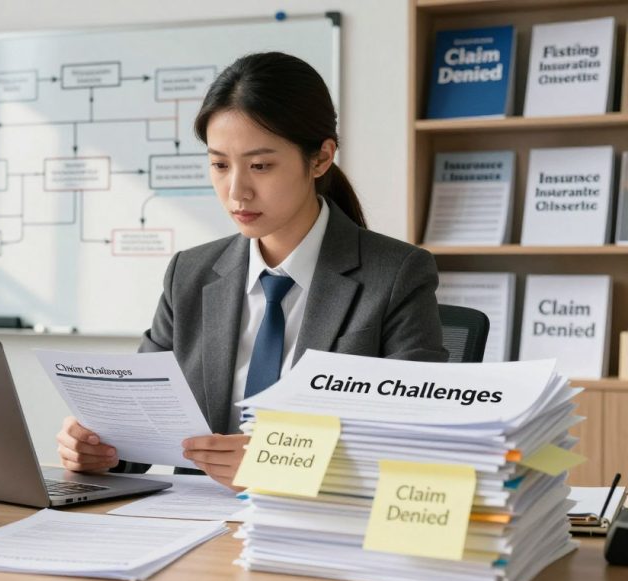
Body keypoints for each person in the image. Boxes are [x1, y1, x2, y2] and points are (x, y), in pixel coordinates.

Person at [55, 52, 448, 490]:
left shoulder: (396, 274)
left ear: (320, 159)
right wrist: (99, 449)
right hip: (192, 526)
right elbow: (141, 428)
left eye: (260, 165)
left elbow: (416, 435)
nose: (236, 191)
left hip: (315, 527)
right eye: (220, 165)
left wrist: (281, 460)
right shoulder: (190, 273)